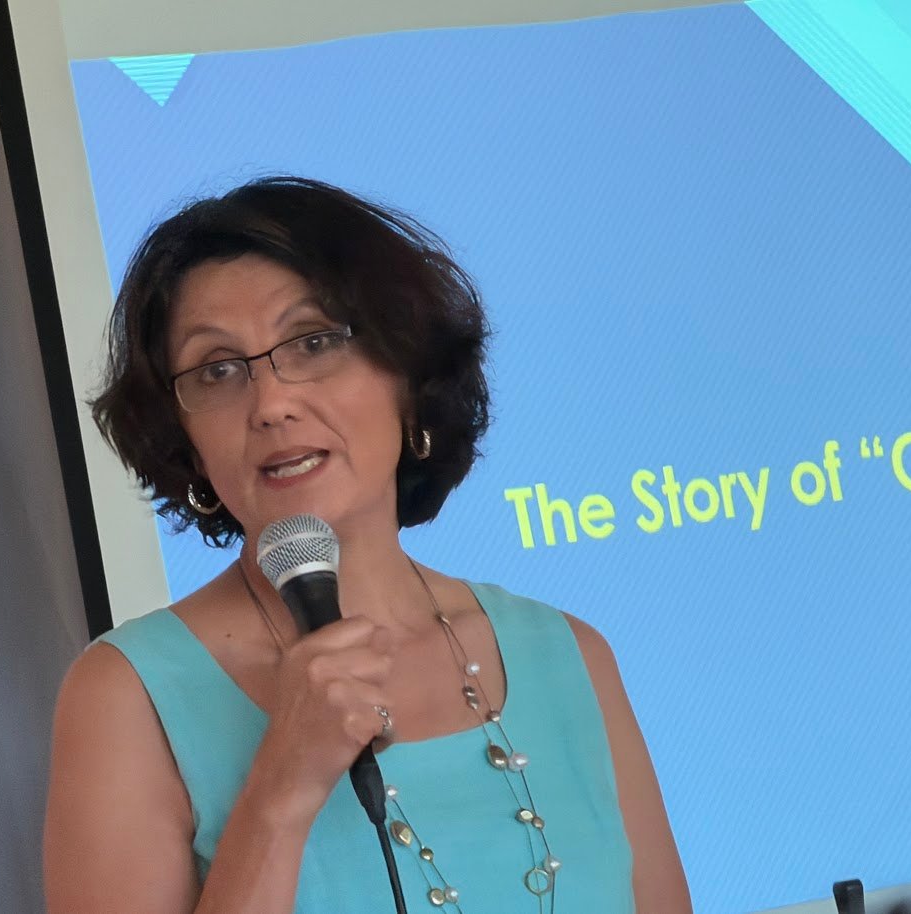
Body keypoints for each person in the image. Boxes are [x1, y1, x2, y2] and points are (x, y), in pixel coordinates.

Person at [43, 176, 692, 912]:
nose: (272, 403)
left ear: (408, 378)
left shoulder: (568, 656)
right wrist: (281, 789)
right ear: (183, 438)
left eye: (314, 342)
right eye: (217, 370)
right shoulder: (127, 696)